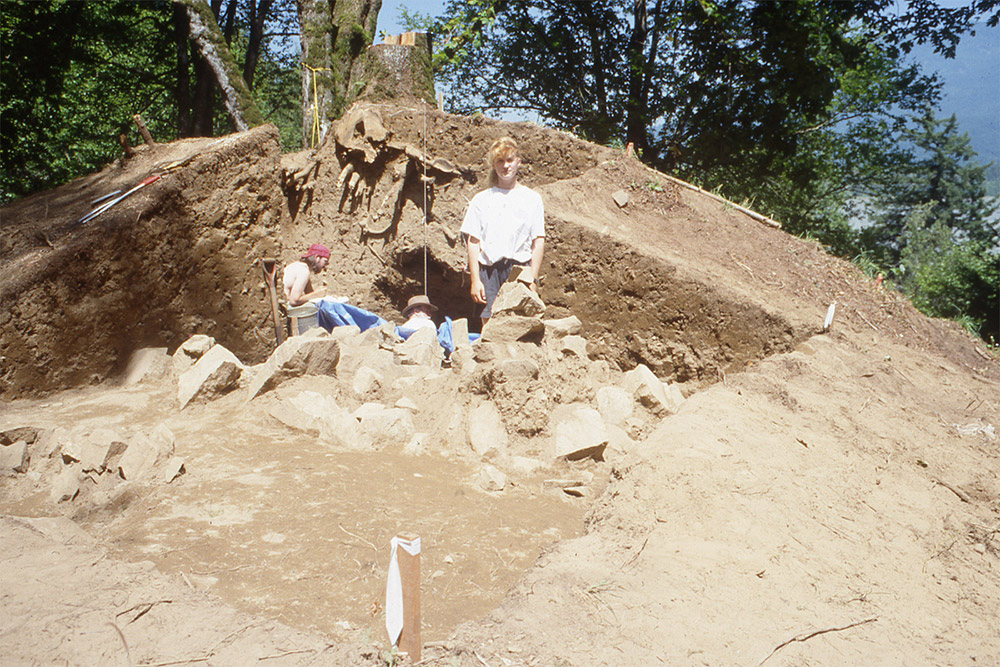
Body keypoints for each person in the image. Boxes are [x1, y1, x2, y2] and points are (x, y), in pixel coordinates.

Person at [460, 137, 545, 323]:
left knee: (519, 325)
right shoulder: (481, 200)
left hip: (519, 271)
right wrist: (475, 280)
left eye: (509, 160)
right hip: (489, 272)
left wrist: (533, 278)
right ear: (493, 164)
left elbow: (538, 242)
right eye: (500, 161)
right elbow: (473, 243)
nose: (505, 166)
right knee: (489, 327)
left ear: (518, 162)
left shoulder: (532, 199)